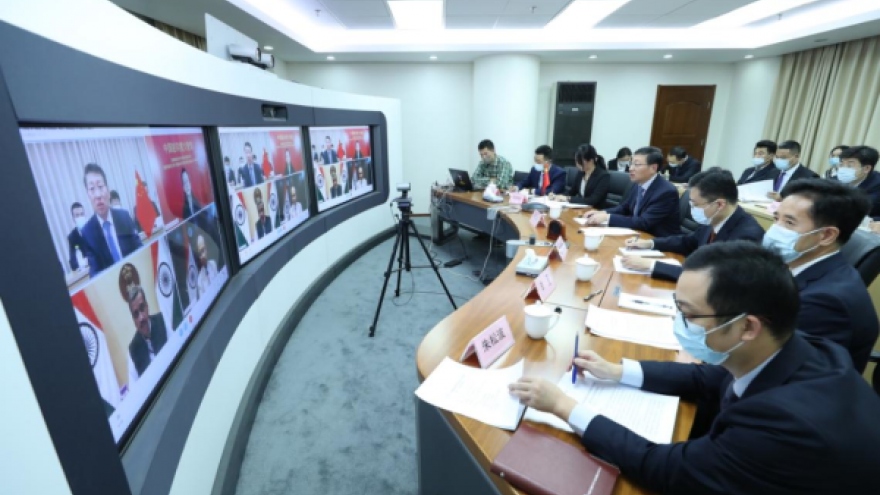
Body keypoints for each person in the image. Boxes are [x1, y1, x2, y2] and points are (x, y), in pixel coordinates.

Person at [509, 241, 880, 495]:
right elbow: (707, 377)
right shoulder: (797, 347)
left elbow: (665, 469)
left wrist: (564, 406)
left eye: (688, 314)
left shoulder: (780, 424)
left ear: (748, 326)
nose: (679, 323)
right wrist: (618, 370)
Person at [764, 178, 878, 372]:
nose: (775, 229)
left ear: (826, 235)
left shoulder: (825, 303)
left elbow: (776, 370)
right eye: (776, 219)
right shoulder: (792, 266)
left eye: (789, 222)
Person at [623, 170, 764, 281]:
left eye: (695, 204)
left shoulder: (747, 236)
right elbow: (688, 241)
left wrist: (652, 265)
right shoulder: (715, 217)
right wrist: (650, 243)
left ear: (720, 204)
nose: (693, 209)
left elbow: (714, 276)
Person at [583, 147, 680, 237]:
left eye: (636, 165)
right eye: (631, 163)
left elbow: (644, 222)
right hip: (637, 235)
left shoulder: (666, 192)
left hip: (658, 241)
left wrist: (608, 217)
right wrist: (602, 212)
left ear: (653, 168)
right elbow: (624, 208)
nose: (630, 168)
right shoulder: (638, 183)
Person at [79, 163, 142, 276]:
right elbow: (95, 272)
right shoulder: (87, 233)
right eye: (92, 189)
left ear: (107, 191)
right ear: (88, 195)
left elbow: (140, 250)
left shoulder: (124, 217)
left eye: (100, 186)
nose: (98, 195)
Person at [127, 285, 168, 377]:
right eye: (136, 314)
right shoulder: (132, 350)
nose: (141, 318)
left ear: (147, 307)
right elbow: (135, 384)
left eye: (142, 308)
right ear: (133, 320)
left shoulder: (163, 320)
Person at [836, 145, 880, 218]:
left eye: (850, 166)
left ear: (866, 168)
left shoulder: (877, 185)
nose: (843, 169)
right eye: (841, 164)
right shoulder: (835, 179)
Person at [67, 202, 88, 271]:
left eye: (82, 214)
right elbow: (73, 263)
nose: (80, 217)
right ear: (73, 219)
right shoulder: (72, 237)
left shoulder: (93, 228)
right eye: (77, 215)